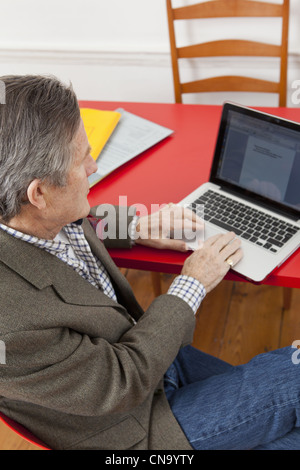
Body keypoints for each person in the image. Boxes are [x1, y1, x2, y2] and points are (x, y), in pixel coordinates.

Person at [0, 75, 299, 451]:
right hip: (131, 422)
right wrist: (193, 284)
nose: (95, 166)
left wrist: (137, 225)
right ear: (39, 192)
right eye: (83, 159)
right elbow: (124, 380)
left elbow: (69, 223)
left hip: (152, 355)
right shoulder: (10, 326)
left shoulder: (24, 211)